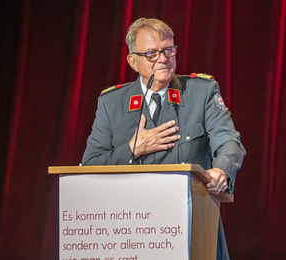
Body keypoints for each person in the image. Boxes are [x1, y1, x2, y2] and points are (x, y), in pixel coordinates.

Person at [82, 17, 246, 260]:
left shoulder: (201, 92)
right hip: (132, 230)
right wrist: (132, 149)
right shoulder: (111, 103)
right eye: (151, 53)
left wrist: (221, 171)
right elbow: (90, 164)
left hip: (192, 226)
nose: (163, 58)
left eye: (168, 49)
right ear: (133, 61)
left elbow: (228, 141)